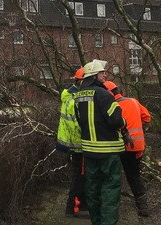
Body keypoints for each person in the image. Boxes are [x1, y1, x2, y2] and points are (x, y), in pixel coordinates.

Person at [75, 60, 132, 225]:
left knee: (92, 188)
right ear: (94, 76)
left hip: (89, 151)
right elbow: (116, 120)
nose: (105, 75)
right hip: (108, 151)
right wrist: (124, 124)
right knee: (110, 189)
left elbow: (80, 121)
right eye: (102, 73)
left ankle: (97, 221)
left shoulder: (78, 96)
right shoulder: (104, 94)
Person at [104, 80, 151, 217]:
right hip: (137, 147)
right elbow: (147, 118)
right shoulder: (133, 101)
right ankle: (143, 208)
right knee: (134, 176)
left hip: (118, 147)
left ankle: (113, 208)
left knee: (113, 176)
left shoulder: (110, 106)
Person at [56, 67, 89, 219]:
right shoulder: (75, 98)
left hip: (72, 144)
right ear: (80, 81)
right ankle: (73, 209)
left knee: (79, 176)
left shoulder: (70, 95)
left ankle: (79, 206)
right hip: (77, 145)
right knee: (79, 177)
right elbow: (76, 124)